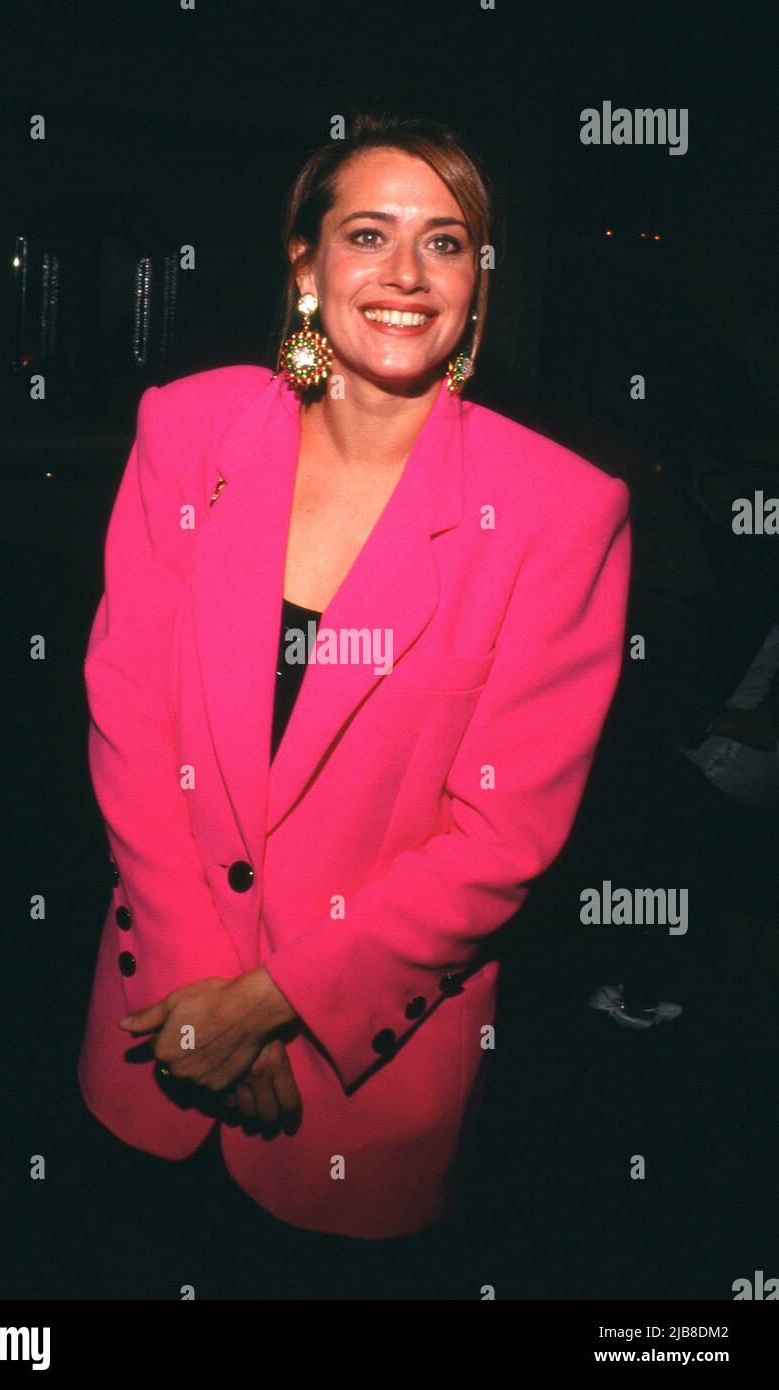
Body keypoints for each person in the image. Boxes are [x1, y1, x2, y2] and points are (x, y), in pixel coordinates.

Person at [76, 112, 631, 1298]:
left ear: (478, 281)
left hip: (360, 1087)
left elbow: (501, 839)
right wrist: (199, 994)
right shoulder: (191, 430)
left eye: (445, 244)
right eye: (367, 233)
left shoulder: (558, 513)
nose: (403, 276)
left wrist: (270, 1007)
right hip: (155, 1027)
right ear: (305, 259)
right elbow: (129, 711)